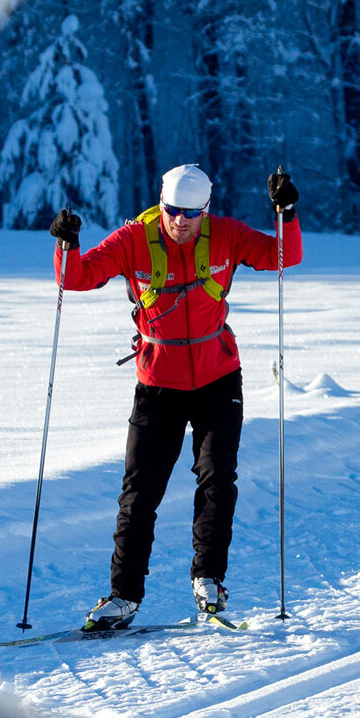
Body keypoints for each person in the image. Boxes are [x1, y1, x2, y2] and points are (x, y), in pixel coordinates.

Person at [47, 163, 301, 630]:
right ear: (160, 205)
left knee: (217, 480)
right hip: (157, 383)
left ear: (206, 211)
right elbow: (76, 277)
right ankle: (123, 597)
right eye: (171, 211)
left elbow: (282, 256)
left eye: (190, 213)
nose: (180, 221)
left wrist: (284, 212)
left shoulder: (226, 235)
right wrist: (67, 243)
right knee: (139, 494)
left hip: (218, 378)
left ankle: (209, 580)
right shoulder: (132, 241)